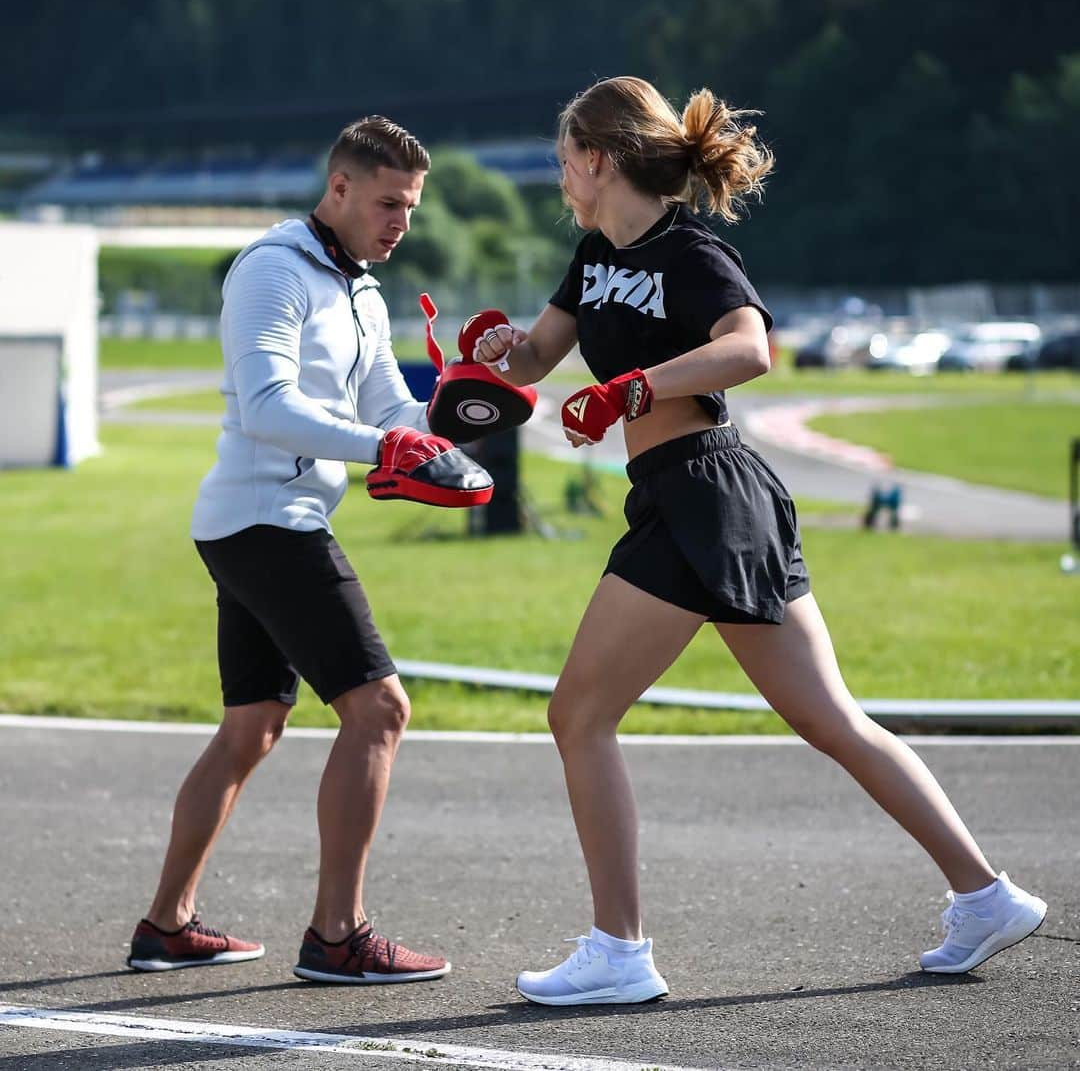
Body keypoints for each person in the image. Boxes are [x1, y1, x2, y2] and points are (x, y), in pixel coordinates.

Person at [468, 76, 1047, 1006]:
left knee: (581, 714)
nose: (559, 173)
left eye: (563, 156)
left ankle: (620, 950)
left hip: (709, 488)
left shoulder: (690, 250)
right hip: (684, 495)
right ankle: (988, 894)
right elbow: (539, 360)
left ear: (598, 159)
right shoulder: (590, 255)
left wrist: (634, 389)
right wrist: (500, 349)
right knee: (827, 718)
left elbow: (749, 348)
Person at [127, 116, 459, 985]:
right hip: (268, 520)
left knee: (251, 727)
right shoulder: (274, 270)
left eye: (412, 207)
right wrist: (385, 449)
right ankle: (339, 937)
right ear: (339, 187)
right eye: (388, 202)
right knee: (380, 710)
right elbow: (267, 406)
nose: (401, 222)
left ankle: (166, 925)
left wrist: (458, 412)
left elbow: (392, 407)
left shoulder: (365, 291)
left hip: (263, 521)